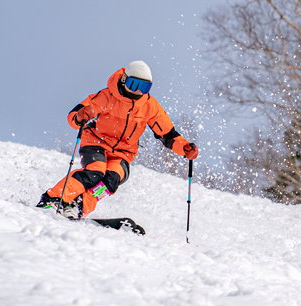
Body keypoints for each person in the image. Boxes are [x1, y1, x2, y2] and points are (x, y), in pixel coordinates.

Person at [37, 60, 198, 219]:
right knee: (95, 172)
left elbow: (168, 135)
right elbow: (74, 116)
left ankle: (79, 206)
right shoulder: (107, 96)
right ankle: (54, 198)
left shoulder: (150, 106)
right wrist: (80, 117)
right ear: (124, 80)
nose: (137, 91)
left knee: (111, 179)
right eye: (134, 84)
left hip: (123, 153)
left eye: (144, 87)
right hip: (96, 143)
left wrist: (185, 149)